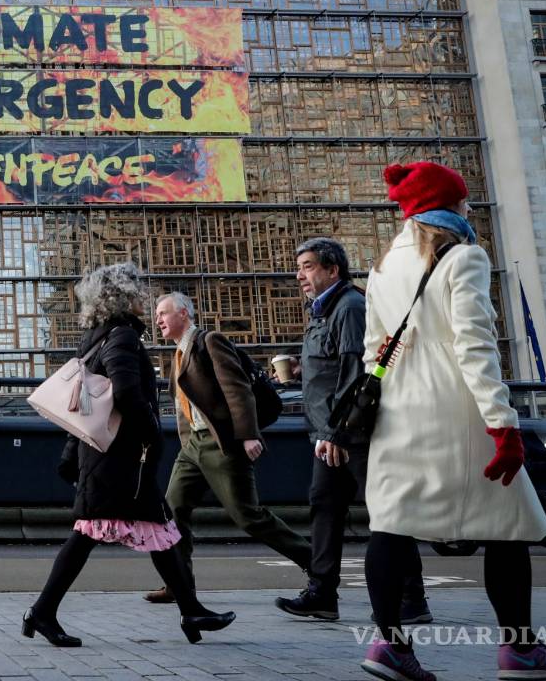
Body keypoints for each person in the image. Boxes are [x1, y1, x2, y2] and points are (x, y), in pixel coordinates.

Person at [357, 162, 546, 681]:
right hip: (456, 409)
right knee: (508, 527)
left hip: (396, 409)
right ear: (452, 207)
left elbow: (375, 349)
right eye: (465, 202)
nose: (470, 210)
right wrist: (503, 426)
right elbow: (476, 347)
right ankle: (520, 649)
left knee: (390, 526)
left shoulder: (381, 266)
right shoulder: (464, 257)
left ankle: (390, 646)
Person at [26, 263, 235, 647]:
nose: (144, 299)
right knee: (92, 534)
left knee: (158, 530)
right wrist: (152, 431)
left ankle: (191, 610)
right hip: (120, 459)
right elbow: (125, 393)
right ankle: (42, 611)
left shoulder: (96, 337)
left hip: (109, 457)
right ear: (123, 296)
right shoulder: (121, 337)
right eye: (138, 292)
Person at [275, 238, 431, 624]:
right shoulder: (322, 311)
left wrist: (336, 434)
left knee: (385, 512)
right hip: (328, 433)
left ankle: (413, 599)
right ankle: (322, 593)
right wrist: (301, 369)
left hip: (353, 435)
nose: (300, 276)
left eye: (309, 266)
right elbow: (330, 367)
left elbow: (354, 374)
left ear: (333, 270)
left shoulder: (349, 307)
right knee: (324, 508)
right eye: (300, 268)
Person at [144, 292, 312, 605]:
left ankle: (317, 564)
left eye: (163, 313)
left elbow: (237, 389)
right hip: (193, 446)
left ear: (183, 313)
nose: (158, 320)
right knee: (172, 510)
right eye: (157, 315)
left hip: (222, 442)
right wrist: (187, 444)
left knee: (248, 516)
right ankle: (179, 583)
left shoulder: (210, 342)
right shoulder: (179, 355)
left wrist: (248, 434)